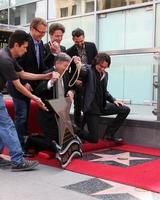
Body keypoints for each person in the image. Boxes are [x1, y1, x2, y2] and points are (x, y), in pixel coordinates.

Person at [0, 30, 52, 171]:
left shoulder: (8, 55)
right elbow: (18, 85)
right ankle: (18, 161)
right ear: (16, 45)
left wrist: (45, 76)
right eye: (25, 47)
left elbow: (23, 74)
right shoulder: (5, 59)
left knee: (3, 125)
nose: (26, 50)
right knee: (7, 126)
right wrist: (35, 98)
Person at [25, 53, 79, 155]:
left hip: (61, 113)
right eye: (65, 66)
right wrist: (50, 82)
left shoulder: (66, 74)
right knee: (56, 144)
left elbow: (72, 86)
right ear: (57, 63)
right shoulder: (47, 73)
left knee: (67, 140)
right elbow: (38, 91)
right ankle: (31, 140)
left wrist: (71, 91)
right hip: (47, 115)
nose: (67, 68)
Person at [7, 17, 48, 149]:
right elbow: (18, 67)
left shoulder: (40, 44)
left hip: (31, 85)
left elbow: (39, 66)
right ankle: (19, 147)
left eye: (44, 32)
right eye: (40, 32)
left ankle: (24, 142)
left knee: (24, 115)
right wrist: (24, 82)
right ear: (31, 29)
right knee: (21, 116)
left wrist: (48, 73)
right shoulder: (23, 42)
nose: (42, 35)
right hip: (18, 84)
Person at [77, 53, 130, 143]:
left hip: (102, 106)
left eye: (105, 67)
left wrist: (114, 100)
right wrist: (77, 63)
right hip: (91, 109)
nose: (102, 69)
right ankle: (75, 130)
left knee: (125, 109)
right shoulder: (88, 70)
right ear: (96, 62)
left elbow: (104, 91)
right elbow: (81, 70)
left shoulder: (105, 75)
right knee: (94, 139)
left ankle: (109, 134)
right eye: (101, 66)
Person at [67, 28, 97, 128]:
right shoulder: (69, 51)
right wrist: (75, 81)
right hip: (78, 82)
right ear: (73, 39)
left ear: (84, 37)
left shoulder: (91, 46)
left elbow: (96, 62)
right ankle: (78, 130)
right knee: (78, 106)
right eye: (77, 42)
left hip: (90, 80)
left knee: (89, 105)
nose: (79, 43)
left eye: (81, 41)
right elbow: (69, 71)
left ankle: (85, 129)